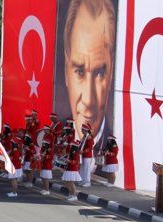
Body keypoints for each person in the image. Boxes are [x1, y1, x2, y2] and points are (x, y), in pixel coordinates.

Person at [61, 0, 116, 154]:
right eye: (79, 71)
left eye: (99, 73)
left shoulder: (110, 143)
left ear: (111, 72)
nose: (88, 100)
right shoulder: (60, 136)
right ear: (66, 70)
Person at [78, 123, 94, 187]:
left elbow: (89, 148)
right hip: (84, 155)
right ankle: (83, 180)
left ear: (85, 130)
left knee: (87, 169)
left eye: (82, 129)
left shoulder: (89, 137)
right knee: (83, 168)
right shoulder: (85, 137)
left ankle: (87, 182)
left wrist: (83, 151)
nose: (81, 131)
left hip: (87, 155)